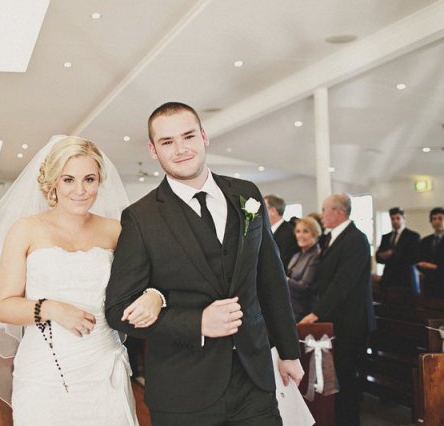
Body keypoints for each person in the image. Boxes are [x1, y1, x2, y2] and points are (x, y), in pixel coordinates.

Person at [105, 102, 304, 425]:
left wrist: (289, 351)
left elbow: (270, 278)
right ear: (153, 150)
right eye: (167, 142)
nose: (181, 149)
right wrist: (196, 323)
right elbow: (118, 311)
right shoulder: (140, 218)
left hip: (254, 381)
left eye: (188, 136)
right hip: (184, 390)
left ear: (204, 136)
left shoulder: (247, 194)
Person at [0, 136, 161, 425]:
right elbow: (4, 307)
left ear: (100, 181)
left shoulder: (116, 230)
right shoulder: (25, 230)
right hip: (44, 371)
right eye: (69, 180)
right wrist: (51, 308)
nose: (80, 190)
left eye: (89, 179)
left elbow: (147, 283)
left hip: (103, 368)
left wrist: (153, 295)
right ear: (53, 183)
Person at [299, 194, 376, 426]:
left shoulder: (356, 239)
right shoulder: (332, 237)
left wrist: (316, 313)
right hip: (336, 319)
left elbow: (343, 283)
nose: (322, 214)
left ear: (339, 211)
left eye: (325, 210)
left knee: (346, 379)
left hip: (351, 321)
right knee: (337, 379)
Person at [375, 207, 420, 292]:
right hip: (388, 278)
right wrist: (383, 255)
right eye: (392, 219)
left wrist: (392, 254)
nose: (395, 221)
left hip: (405, 278)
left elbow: (414, 257)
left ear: (404, 219)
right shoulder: (386, 237)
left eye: (398, 218)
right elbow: (378, 258)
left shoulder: (413, 236)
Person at [286, 216, 321, 321]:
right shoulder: (296, 255)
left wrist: (284, 279)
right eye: (298, 231)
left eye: (305, 231)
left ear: (314, 234)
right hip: (290, 308)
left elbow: (305, 286)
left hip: (304, 311)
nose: (300, 235)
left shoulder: (316, 255)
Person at [265, 194, 299, 268]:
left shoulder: (288, 232)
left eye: (263, 209)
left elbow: (283, 262)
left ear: (273, 211)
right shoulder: (269, 231)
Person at [416, 207, 444, 297]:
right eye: (434, 219)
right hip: (429, 284)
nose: (437, 221)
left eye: (440, 218)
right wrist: (422, 266)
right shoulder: (425, 241)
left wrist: (434, 267)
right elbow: (419, 260)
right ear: (431, 222)